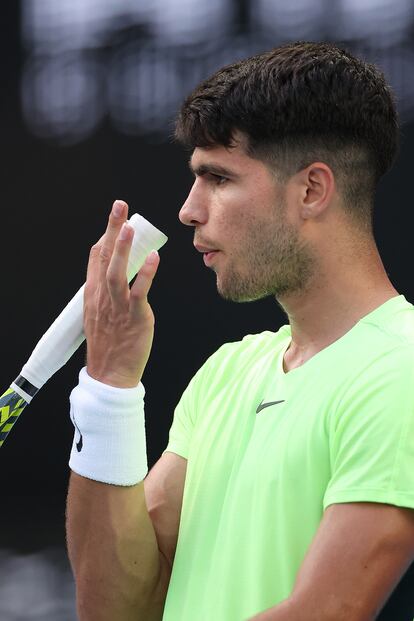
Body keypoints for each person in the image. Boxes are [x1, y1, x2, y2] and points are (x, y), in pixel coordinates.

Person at [66, 41, 414, 621]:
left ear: (311, 190)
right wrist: (109, 387)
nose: (188, 210)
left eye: (219, 179)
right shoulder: (228, 372)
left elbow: (328, 611)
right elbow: (114, 606)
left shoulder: (401, 371)